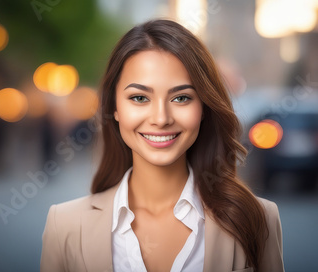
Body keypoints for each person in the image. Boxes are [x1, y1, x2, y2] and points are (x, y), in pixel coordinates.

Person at [40, 19, 284, 272]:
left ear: (203, 108)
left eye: (181, 98)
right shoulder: (65, 226)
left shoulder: (258, 219)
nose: (161, 118)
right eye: (139, 98)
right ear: (114, 107)